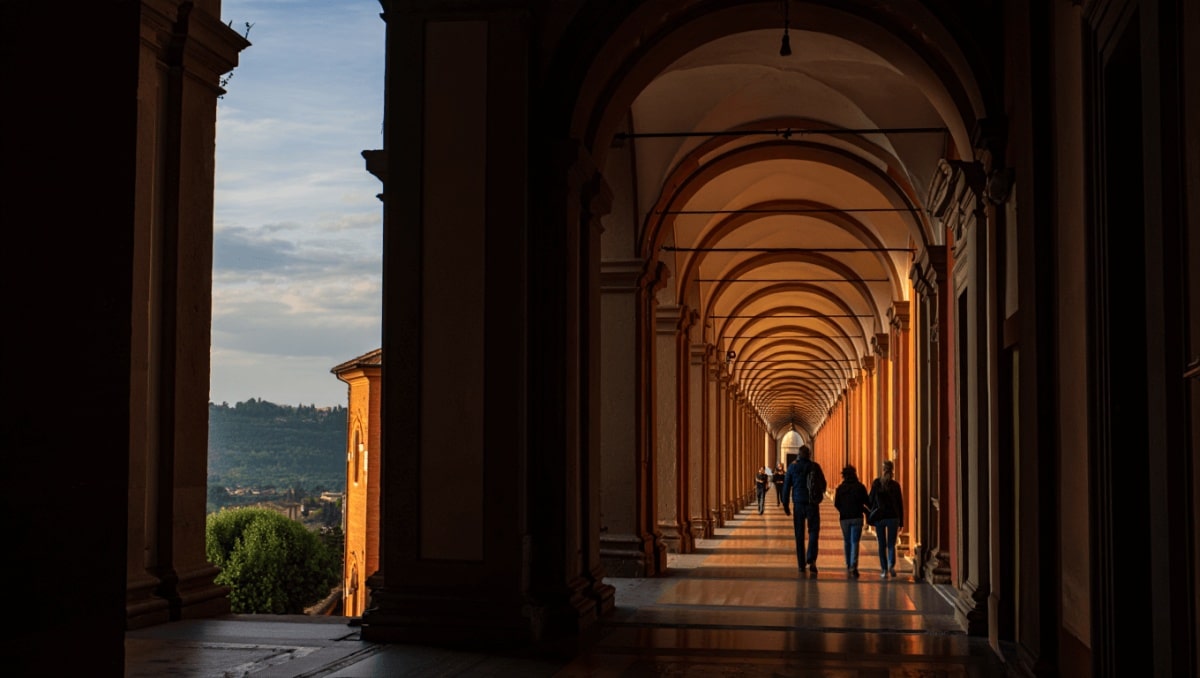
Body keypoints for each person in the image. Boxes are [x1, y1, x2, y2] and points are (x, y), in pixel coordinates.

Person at [782, 445, 824, 575]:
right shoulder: (815, 467)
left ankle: (801, 564)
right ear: (809, 454)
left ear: (798, 455)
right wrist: (818, 495)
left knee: (799, 534)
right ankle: (811, 559)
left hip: (798, 504)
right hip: (812, 503)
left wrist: (785, 504)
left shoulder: (792, 467)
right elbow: (823, 484)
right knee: (813, 531)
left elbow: (786, 486)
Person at [868, 459, 905, 578]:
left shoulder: (877, 483)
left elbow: (870, 500)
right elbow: (900, 504)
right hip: (892, 518)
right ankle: (890, 566)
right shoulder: (895, 485)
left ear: (883, 470)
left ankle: (885, 569)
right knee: (890, 544)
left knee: (883, 544)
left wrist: (869, 513)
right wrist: (901, 521)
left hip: (882, 517)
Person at [833, 464, 870, 578]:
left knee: (847, 541)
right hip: (857, 517)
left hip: (844, 518)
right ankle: (854, 566)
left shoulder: (840, 488)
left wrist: (843, 510)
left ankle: (848, 564)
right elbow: (867, 501)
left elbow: (836, 504)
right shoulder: (860, 487)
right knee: (855, 542)